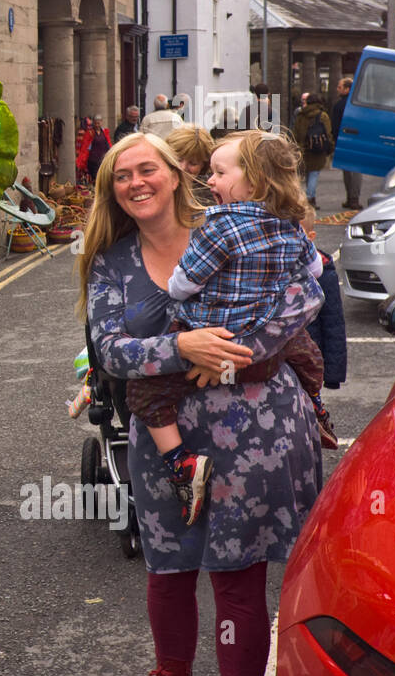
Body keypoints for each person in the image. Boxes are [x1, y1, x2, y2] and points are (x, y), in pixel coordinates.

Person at [77, 132, 324, 676]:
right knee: (169, 569)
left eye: (147, 169)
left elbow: (306, 294)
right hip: (168, 444)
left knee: (238, 579)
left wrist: (238, 353)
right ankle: (172, 671)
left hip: (257, 429)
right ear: (111, 190)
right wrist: (182, 347)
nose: (136, 183)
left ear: (174, 173)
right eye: (122, 176)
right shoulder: (110, 261)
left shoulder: (238, 224)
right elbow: (111, 351)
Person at [123, 131, 330, 525]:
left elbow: (182, 284)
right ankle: (317, 406)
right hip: (265, 332)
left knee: (144, 393)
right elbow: (315, 273)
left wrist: (178, 287)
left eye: (218, 172)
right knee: (305, 354)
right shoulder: (289, 225)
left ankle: (180, 462)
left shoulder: (218, 226)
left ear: (253, 180)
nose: (210, 181)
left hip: (207, 334)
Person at [302, 207, 347, 393]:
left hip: (310, 363)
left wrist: (332, 374)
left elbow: (333, 324)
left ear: (310, 236)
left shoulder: (324, 273)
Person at [292, 90, 333, 208]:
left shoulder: (301, 115)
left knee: (303, 174)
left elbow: (296, 133)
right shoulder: (322, 115)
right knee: (314, 174)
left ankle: (303, 198)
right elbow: (328, 132)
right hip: (318, 149)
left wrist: (297, 145)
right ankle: (310, 198)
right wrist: (330, 146)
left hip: (303, 149)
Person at [164, 125, 215, 204]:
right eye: (178, 159)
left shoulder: (211, 195)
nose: (182, 168)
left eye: (193, 163)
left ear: (203, 166)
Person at [331, 77, 361, 209]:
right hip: (357, 140)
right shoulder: (358, 105)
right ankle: (354, 198)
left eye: (340, 87)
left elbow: (335, 126)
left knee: (348, 172)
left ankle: (351, 198)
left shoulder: (339, 105)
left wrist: (335, 140)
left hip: (343, 140)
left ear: (347, 89)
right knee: (355, 171)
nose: (337, 89)